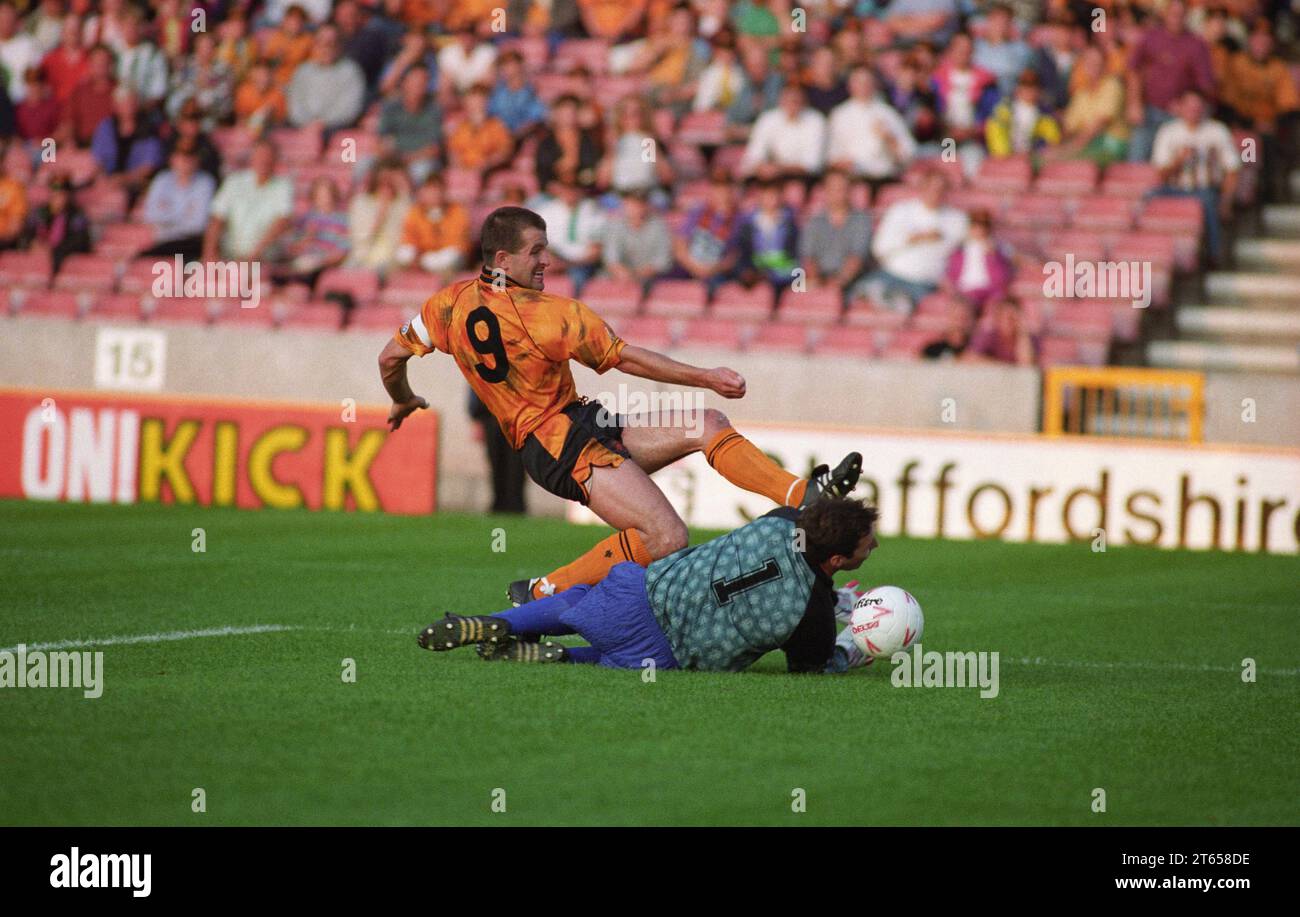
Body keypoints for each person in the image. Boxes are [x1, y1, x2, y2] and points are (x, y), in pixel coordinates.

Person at [378, 206, 862, 606]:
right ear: (503, 258)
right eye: (536, 251)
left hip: (579, 422)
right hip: (556, 445)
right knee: (666, 536)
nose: (547, 260)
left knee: (707, 424)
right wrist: (705, 377)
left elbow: (390, 358)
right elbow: (625, 358)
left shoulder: (446, 305)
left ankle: (802, 494)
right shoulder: (552, 315)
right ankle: (542, 592)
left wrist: (403, 400)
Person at [419, 495, 877, 675]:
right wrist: (859, 642)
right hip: (661, 655)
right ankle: (564, 658)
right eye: (866, 543)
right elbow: (816, 666)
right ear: (837, 560)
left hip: (636, 597)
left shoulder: (780, 521)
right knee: (611, 660)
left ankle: (499, 623)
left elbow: (801, 537)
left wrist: (832, 597)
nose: (873, 545)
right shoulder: (811, 615)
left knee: (577, 600)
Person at [857, 168, 968, 314]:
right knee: (857, 294)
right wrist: (914, 238)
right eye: (931, 187)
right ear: (921, 188)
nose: (935, 193)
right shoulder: (900, 211)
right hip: (890, 275)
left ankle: (895, 302)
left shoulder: (957, 219)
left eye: (940, 188)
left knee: (905, 304)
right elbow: (879, 248)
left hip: (924, 282)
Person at [1150, 88, 1240, 266]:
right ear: (1180, 108)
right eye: (1190, 107)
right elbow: (1160, 173)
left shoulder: (1217, 131)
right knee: (1149, 198)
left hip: (1206, 189)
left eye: (1198, 107)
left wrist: (1226, 201)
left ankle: (1214, 254)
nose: (1194, 111)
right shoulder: (1168, 131)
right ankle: (1152, 253)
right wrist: (1179, 160)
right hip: (1174, 189)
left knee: (1208, 202)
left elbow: (1232, 169)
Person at [203, 136, 294, 262]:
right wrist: (209, 253)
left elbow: (282, 221)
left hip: (264, 259)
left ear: (275, 160)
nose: (264, 161)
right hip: (230, 255)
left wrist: (254, 255)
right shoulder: (234, 181)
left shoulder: (283, 185)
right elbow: (217, 217)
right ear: (252, 158)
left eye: (268, 156)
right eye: (260, 156)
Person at [798, 168, 870, 298]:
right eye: (833, 189)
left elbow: (857, 257)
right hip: (819, 280)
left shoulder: (862, 220)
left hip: (852, 282)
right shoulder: (814, 221)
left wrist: (838, 282)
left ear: (849, 190)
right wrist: (818, 281)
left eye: (841, 188)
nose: (837, 193)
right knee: (796, 289)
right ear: (825, 191)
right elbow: (808, 257)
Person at [140, 139, 215, 261]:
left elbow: (198, 224)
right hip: (163, 241)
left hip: (191, 243)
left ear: (197, 160)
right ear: (172, 158)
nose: (185, 161)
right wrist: (184, 216)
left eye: (190, 156)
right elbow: (151, 215)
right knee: (142, 260)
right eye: (181, 156)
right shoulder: (162, 180)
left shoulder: (205, 182)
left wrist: (168, 219)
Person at [468, 388, 527, 515]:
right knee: (496, 462)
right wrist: (476, 417)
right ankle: (498, 504)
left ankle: (516, 506)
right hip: (490, 416)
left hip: (518, 417)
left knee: (516, 465)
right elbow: (475, 387)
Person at [962, 295, 1037, 365]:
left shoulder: (1029, 337)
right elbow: (968, 358)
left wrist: (1022, 333)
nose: (1007, 322)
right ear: (996, 318)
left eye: (1011, 318)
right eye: (1002, 317)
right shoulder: (988, 335)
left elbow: (1025, 364)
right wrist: (1001, 365)